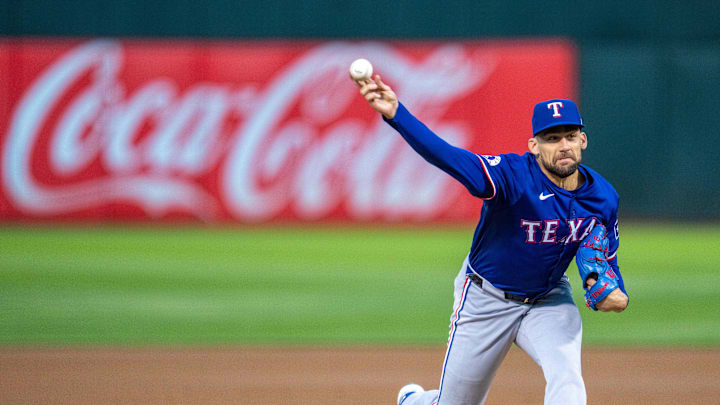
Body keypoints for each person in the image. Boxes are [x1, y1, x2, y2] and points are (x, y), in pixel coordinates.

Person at [352, 74, 629, 405]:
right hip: (486, 298)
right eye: (552, 138)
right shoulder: (512, 176)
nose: (563, 145)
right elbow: (451, 158)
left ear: (583, 140)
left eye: (570, 136)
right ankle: (414, 400)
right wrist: (398, 115)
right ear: (534, 146)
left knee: (567, 379)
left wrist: (617, 292)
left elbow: (605, 261)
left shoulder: (603, 199)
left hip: (548, 299)